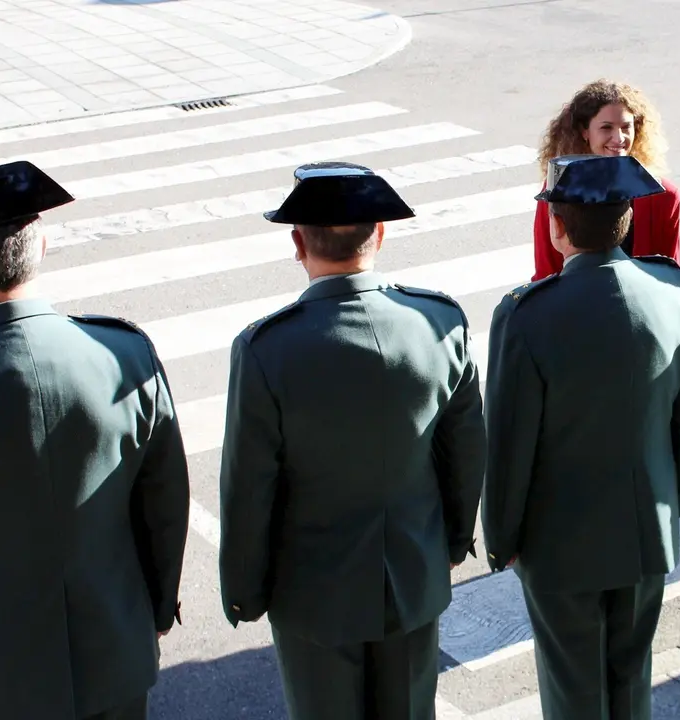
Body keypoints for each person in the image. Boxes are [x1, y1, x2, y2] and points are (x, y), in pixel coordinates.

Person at [217, 162, 486, 720]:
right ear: (379, 235)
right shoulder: (439, 323)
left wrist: (245, 588)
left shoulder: (267, 349)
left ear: (298, 243)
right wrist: (450, 545)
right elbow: (464, 453)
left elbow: (249, 486)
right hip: (413, 575)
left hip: (312, 592)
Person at [0, 161, 191, 720]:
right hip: (114, 648)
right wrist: (155, 612)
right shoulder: (124, 354)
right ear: (43, 245)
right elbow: (164, 507)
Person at [482, 154, 680, 719]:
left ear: (556, 225)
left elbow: (509, 443)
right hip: (645, 528)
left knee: (572, 687)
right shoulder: (673, 291)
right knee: (630, 680)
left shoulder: (526, 315)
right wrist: (669, 504)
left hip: (561, 542)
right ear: (627, 219)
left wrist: (501, 535)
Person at [531, 79, 680, 280]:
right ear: (585, 131)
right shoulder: (560, 189)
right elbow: (546, 272)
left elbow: (670, 276)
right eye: (606, 128)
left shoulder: (664, 196)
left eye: (626, 127)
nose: (619, 138)